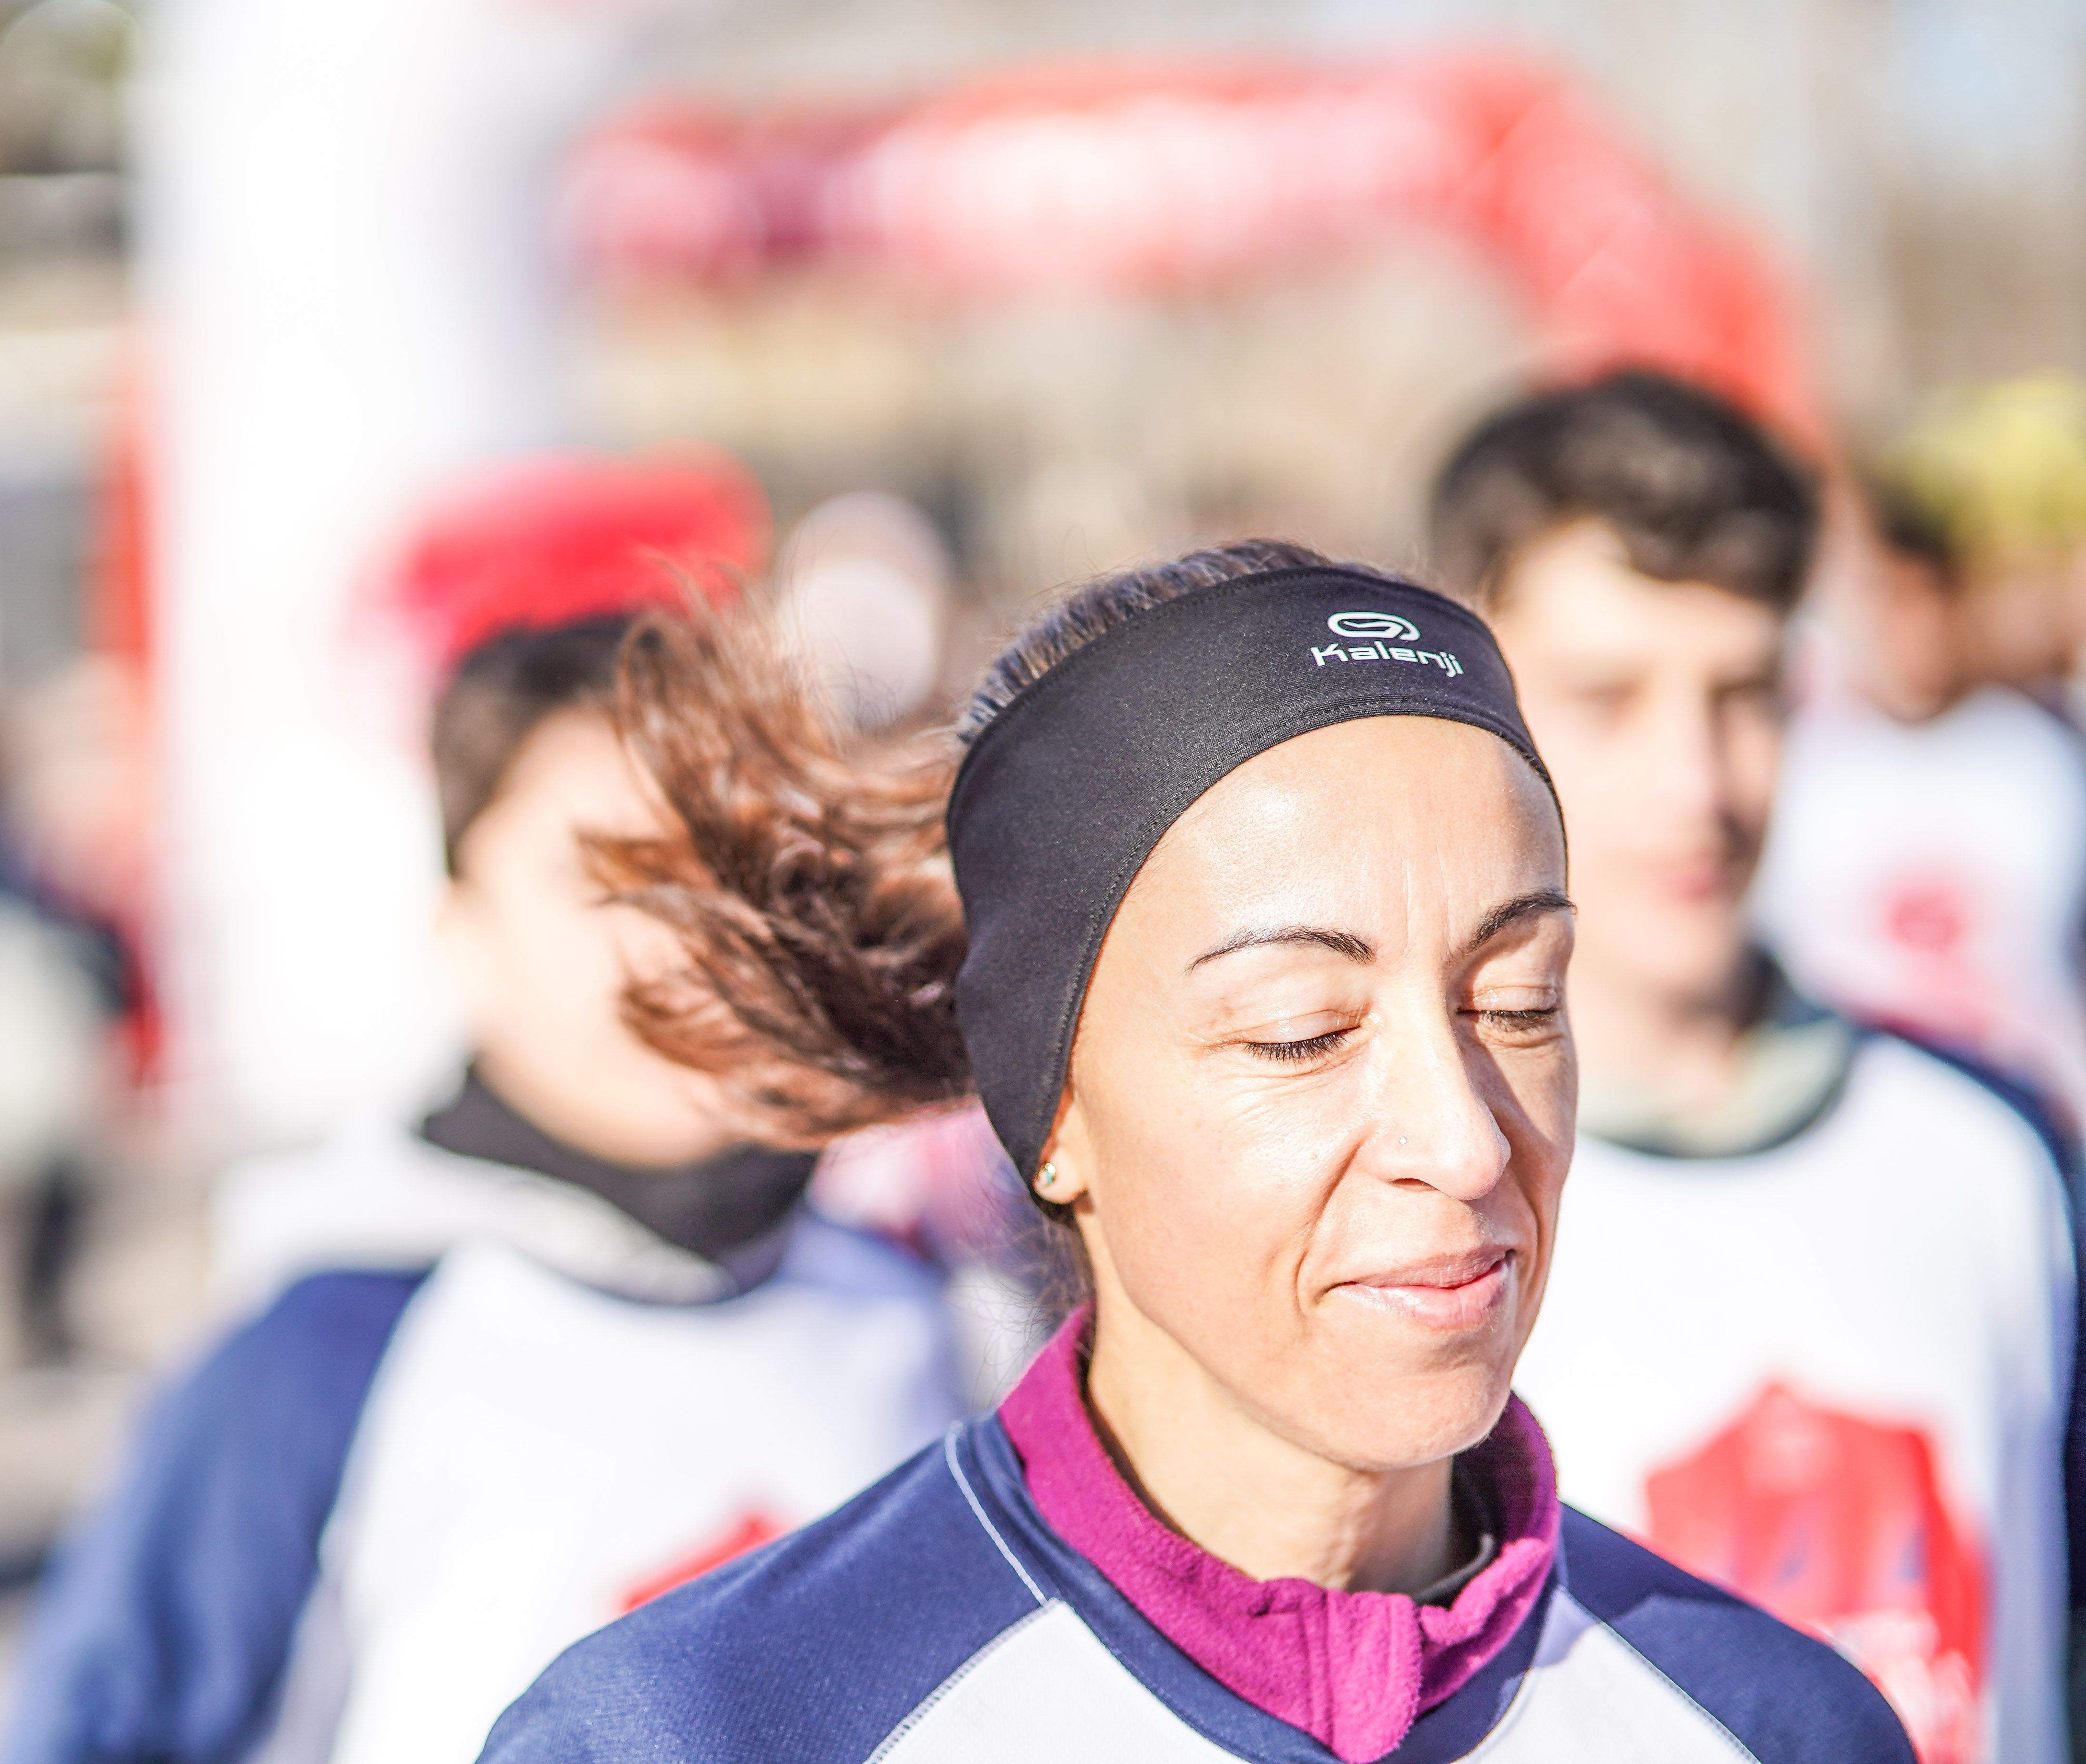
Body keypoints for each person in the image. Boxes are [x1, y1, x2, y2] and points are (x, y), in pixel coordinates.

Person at [484, 542, 1904, 1763]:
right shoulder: (710, 1731)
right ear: (1054, 1116)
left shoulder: (1767, 1724)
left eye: (1518, 1000)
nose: (1465, 1140)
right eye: (1300, 1030)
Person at [0, 456, 963, 1764]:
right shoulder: (326, 1358)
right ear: (462, 932)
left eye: (728, 870)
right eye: (606, 884)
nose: (685, 947)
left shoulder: (922, 1313)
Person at [1431, 369, 2079, 1764]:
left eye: (1743, 695)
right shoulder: (1416, 1201)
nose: (1699, 783)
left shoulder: (1996, 1154)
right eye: (1609, 700)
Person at [1749, 374, 2086, 1130]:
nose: (1910, 630)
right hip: (1857, 1121)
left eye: (1930, 597)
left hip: (2030, 1117)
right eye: (1887, 597)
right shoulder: (1797, 758)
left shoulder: (2045, 757)